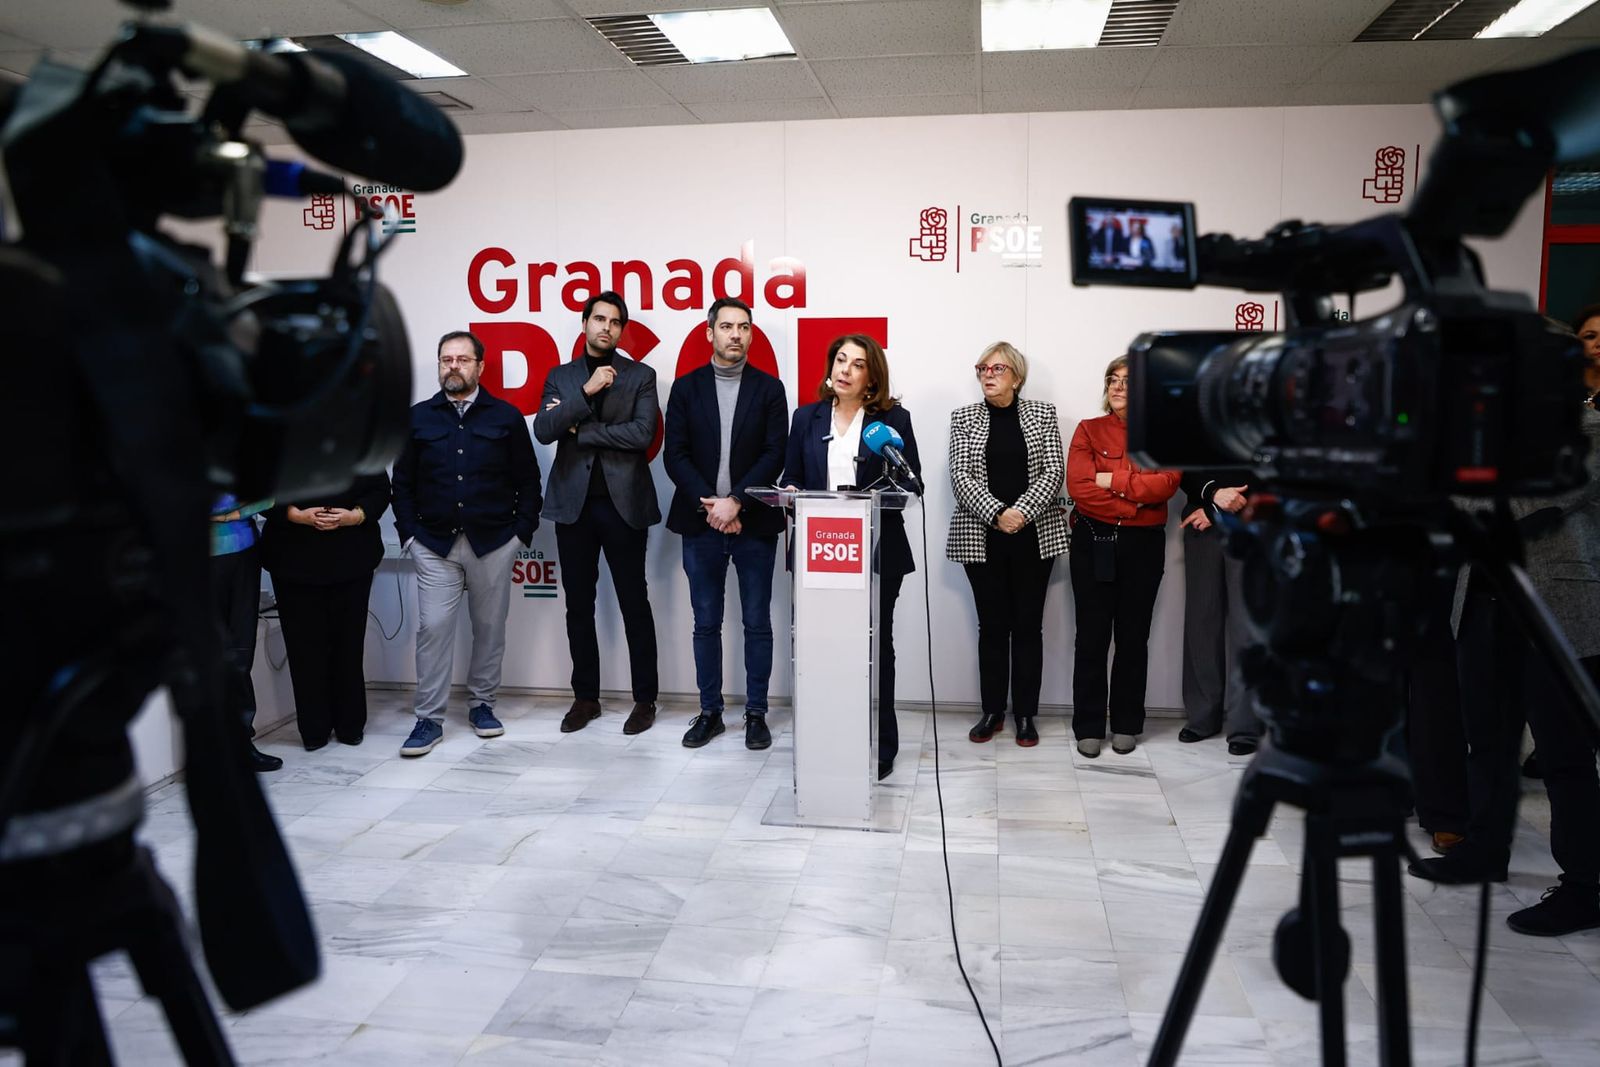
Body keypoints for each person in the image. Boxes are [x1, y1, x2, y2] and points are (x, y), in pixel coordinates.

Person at [1409, 317, 1600, 936]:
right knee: (1486, 741)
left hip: (1557, 612)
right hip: (1486, 604)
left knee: (1565, 757)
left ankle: (1584, 888)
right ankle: (1485, 851)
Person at [392, 330, 541, 757]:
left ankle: (482, 705)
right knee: (433, 628)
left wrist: (520, 533)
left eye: (461, 359)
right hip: (434, 544)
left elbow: (528, 481)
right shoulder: (418, 418)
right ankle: (428, 718)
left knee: (489, 629)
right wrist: (410, 535)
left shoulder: (505, 417)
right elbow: (401, 484)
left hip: (493, 542)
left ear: (479, 365)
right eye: (445, 360)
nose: (452, 366)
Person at [783, 334, 921, 780]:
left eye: (856, 364)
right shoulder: (806, 418)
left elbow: (910, 485)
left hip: (878, 550)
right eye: (839, 359)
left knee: (876, 647)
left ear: (871, 376)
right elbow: (791, 477)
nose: (844, 369)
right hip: (819, 551)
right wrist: (788, 492)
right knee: (822, 647)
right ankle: (827, 737)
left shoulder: (894, 420)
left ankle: (883, 744)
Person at [533, 291, 662, 736]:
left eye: (615, 322)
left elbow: (642, 435)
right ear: (585, 323)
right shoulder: (561, 376)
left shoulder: (641, 375)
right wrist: (585, 393)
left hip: (624, 506)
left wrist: (582, 431)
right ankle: (586, 697)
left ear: (621, 330)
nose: (606, 327)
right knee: (578, 606)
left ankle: (645, 700)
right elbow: (545, 429)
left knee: (634, 603)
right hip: (574, 508)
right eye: (599, 319)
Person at [663, 298, 789, 751]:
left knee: (757, 621)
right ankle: (711, 712)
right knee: (706, 622)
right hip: (700, 525)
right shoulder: (685, 387)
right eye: (727, 326)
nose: (736, 334)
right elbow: (673, 454)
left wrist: (736, 502)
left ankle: (756, 713)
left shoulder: (771, 389)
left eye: (744, 327)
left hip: (754, 523)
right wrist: (714, 508)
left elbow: (776, 453)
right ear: (709, 333)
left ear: (752, 335)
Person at [946, 342, 1068, 747]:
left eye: (997, 368)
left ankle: (1026, 715)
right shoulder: (963, 418)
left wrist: (1021, 514)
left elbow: (1054, 471)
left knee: (1028, 628)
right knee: (992, 628)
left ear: (1016, 376)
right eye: (982, 367)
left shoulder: (1042, 414)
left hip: (1034, 537)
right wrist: (999, 513)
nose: (987, 374)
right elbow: (960, 477)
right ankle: (993, 710)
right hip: (983, 538)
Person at [1066, 357, 1179, 757]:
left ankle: (1127, 722)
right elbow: (1079, 488)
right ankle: (1089, 725)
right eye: (1112, 380)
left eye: (1128, 382)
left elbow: (1165, 484)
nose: (1117, 387)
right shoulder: (1088, 429)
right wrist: (1133, 503)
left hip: (1144, 546)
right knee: (1092, 637)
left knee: (1133, 638)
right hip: (1094, 540)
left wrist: (1112, 480)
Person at [259, 473, 391, 750]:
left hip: (352, 555)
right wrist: (294, 515)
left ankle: (350, 725)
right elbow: (258, 489)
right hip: (292, 559)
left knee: (348, 645)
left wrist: (356, 516)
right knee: (303, 650)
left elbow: (379, 489)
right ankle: (314, 730)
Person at [1176, 468, 1256, 753]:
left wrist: (1218, 508)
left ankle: (1246, 726)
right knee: (1201, 619)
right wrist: (1212, 498)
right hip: (1201, 521)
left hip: (1251, 519)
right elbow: (1182, 465)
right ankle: (1202, 716)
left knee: (1247, 627)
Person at [210, 493, 282, 771]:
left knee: (241, 653)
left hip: (245, 551)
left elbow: (269, 494)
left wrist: (229, 514)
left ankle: (241, 743)